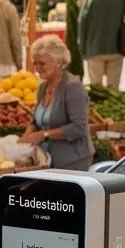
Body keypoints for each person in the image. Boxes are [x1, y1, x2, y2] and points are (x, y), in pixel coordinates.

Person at [21, 36, 94, 171]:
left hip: (73, 161)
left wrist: (44, 135)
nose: (37, 68)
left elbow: (79, 127)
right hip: (48, 160)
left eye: (41, 63)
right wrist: (27, 134)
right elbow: (37, 121)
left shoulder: (73, 87)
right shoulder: (43, 87)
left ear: (59, 61)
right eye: (35, 63)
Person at [77, 0, 125, 87]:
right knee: (113, 88)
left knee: (96, 87)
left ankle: (98, 106)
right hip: (116, 47)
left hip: (94, 48)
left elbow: (82, 22)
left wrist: (82, 47)